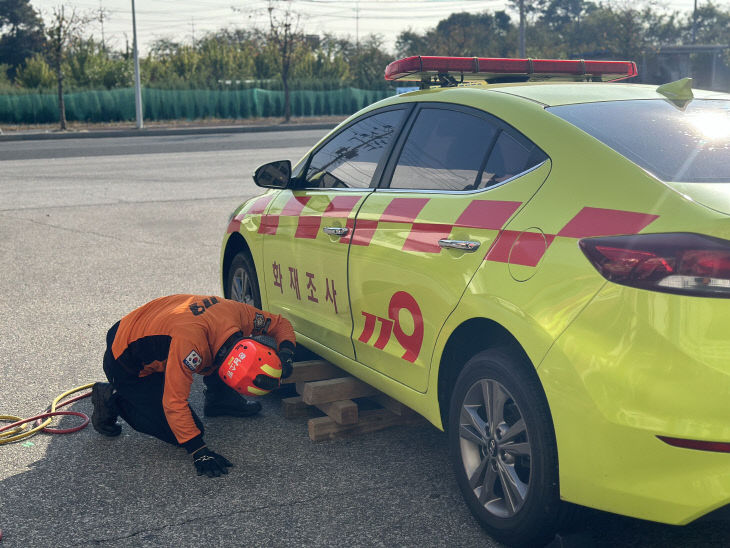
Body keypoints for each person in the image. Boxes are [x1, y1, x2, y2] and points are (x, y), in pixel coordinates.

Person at [90, 294, 296, 478]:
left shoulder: (239, 314)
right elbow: (173, 401)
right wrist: (199, 452)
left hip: (153, 326)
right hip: (125, 361)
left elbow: (280, 324)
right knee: (186, 432)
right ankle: (113, 398)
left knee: (215, 353)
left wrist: (286, 354)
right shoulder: (190, 348)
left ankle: (220, 401)